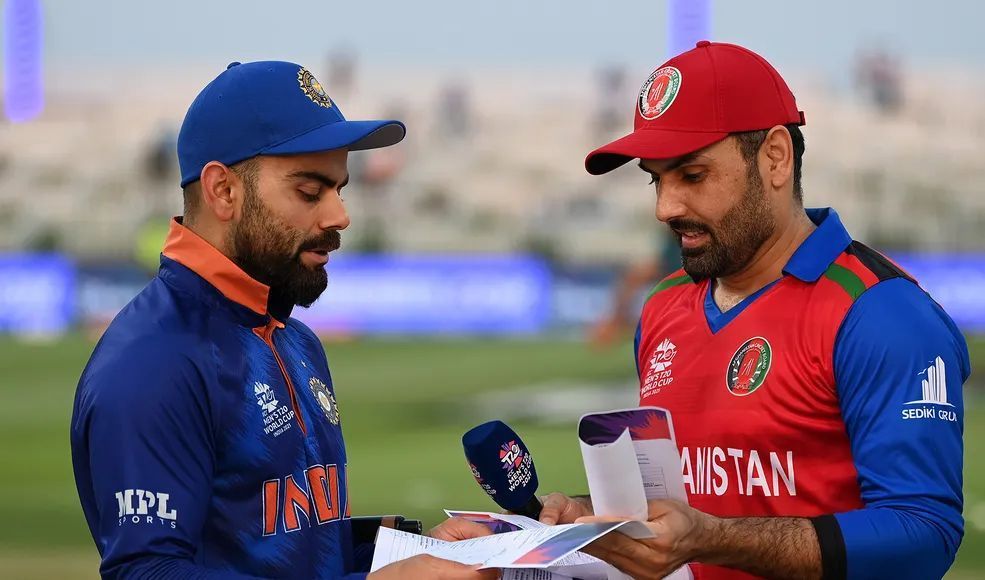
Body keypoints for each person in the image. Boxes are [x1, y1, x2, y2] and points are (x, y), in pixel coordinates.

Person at [539, 41, 968, 579]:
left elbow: (923, 533)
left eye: (691, 176)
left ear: (775, 157)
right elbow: (688, 501)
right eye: (656, 178)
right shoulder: (663, 306)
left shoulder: (882, 315)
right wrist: (593, 520)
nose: (664, 208)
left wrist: (715, 539)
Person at [70, 60, 495, 579]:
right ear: (223, 190)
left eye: (341, 190)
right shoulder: (154, 362)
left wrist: (413, 551)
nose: (340, 216)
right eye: (310, 192)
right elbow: (147, 573)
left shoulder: (294, 340)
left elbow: (293, 547)